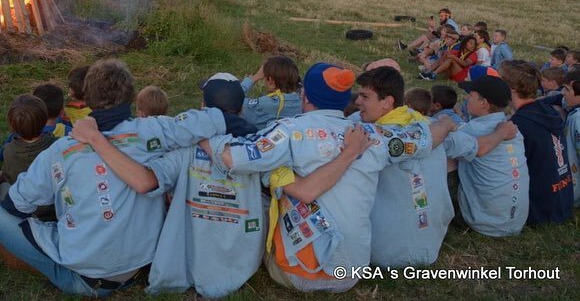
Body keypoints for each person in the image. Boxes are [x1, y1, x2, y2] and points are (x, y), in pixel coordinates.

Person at [67, 86, 372, 298]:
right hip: (246, 263)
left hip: (186, 262)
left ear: (203, 109)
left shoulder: (185, 152)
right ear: (240, 109)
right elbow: (298, 185)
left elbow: (151, 180)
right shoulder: (268, 152)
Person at [0, 59, 227, 297]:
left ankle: (52, 264)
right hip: (140, 262)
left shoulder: (58, 151)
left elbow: (15, 205)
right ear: (131, 96)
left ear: (87, 98)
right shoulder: (156, 129)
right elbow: (219, 119)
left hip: (86, 278)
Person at [217, 63, 448, 293]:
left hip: (297, 274)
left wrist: (202, 129)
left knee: (264, 191)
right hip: (352, 273)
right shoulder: (371, 135)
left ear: (304, 95)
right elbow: (423, 140)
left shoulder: (288, 131)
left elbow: (230, 158)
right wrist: (448, 123)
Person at [357, 66, 514, 268]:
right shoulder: (428, 123)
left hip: (383, 253)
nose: (357, 101)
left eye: (364, 96)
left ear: (388, 101)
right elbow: (477, 148)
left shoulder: (365, 135)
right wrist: (502, 132)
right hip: (430, 247)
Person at [445, 75, 529, 236]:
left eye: (470, 96)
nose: (466, 99)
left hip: (485, 223)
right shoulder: (513, 129)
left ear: (484, 103)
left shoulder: (472, 130)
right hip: (517, 220)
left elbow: (439, 144)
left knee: (447, 157)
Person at [499, 60, 573, 225]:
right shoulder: (547, 111)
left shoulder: (519, 124)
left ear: (511, 88)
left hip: (540, 210)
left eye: (499, 80)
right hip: (562, 200)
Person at [0, 95, 56, 214]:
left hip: (23, 204)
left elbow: (7, 176)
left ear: (12, 126)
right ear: (45, 121)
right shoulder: (56, 145)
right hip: (52, 204)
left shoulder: (9, 150)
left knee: (4, 188)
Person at [241, 55, 302, 128]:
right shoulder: (304, 103)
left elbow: (232, 100)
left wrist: (254, 78)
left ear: (271, 82)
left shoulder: (263, 105)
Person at [561, 69, 580, 207]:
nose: (563, 93)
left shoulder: (577, 118)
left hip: (574, 190)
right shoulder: (574, 110)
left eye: (567, 89)